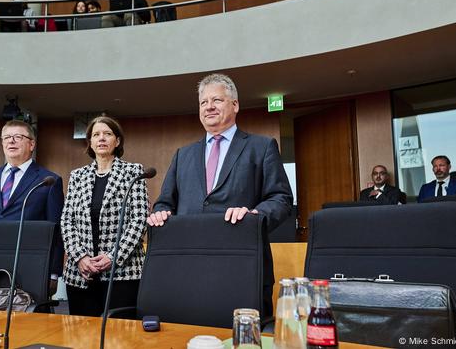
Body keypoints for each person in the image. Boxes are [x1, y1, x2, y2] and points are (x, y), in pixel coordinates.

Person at [147, 73, 293, 317]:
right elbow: (165, 202)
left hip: (242, 267)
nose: (209, 107)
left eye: (217, 100)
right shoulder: (183, 154)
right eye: (203, 102)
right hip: (188, 268)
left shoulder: (261, 146)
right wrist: (160, 214)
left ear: (235, 105)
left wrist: (254, 215)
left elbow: (280, 198)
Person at [61, 116, 149, 316]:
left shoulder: (133, 172)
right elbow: (67, 220)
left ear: (117, 141)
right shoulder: (77, 176)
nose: (101, 138)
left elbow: (139, 219)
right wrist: (79, 256)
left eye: (107, 134)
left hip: (122, 273)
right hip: (80, 272)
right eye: (96, 135)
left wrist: (112, 256)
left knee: (120, 337)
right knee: (81, 336)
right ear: (90, 142)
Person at [0, 119, 64, 290]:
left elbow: (56, 230)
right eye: (6, 137)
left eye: (18, 137)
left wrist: (53, 273)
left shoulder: (49, 181)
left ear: (31, 144)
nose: (11, 141)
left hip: (27, 266)